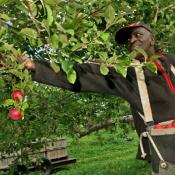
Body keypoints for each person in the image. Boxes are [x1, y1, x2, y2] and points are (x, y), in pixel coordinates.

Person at [21, 22, 175, 162]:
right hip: (166, 151)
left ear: (152, 39)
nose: (132, 40)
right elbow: (82, 74)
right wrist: (36, 66)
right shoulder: (126, 74)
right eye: (129, 38)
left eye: (137, 35)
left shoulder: (172, 61)